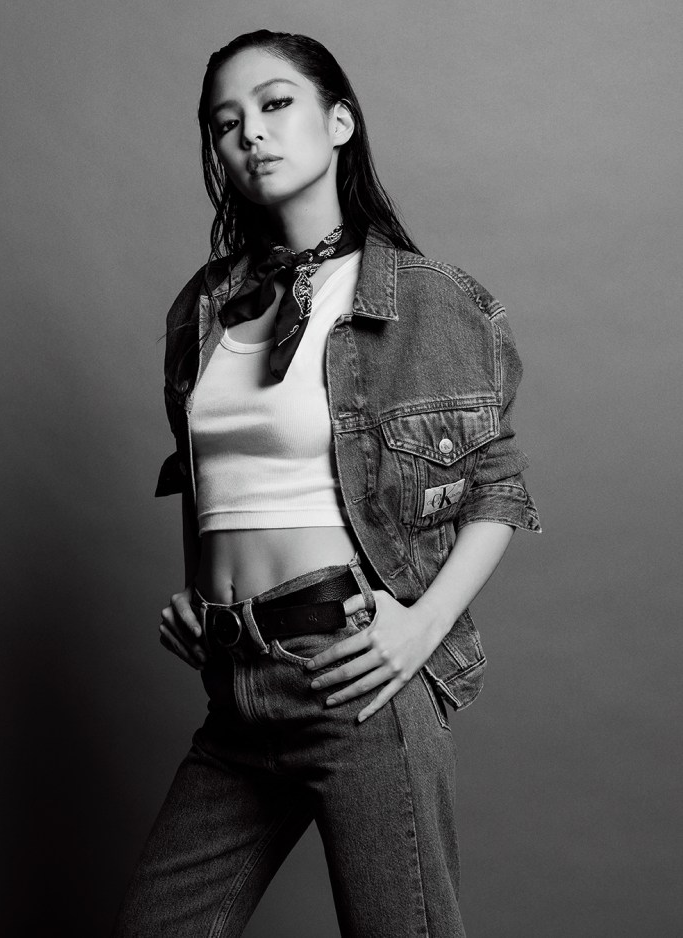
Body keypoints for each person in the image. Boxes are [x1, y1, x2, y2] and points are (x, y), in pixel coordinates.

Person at [113, 28, 541, 938]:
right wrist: (200, 592)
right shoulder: (204, 307)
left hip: (351, 678)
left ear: (340, 122)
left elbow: (497, 483)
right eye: (226, 122)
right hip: (235, 688)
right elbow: (210, 473)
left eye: (276, 105)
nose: (251, 134)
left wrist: (421, 626)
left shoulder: (425, 299)